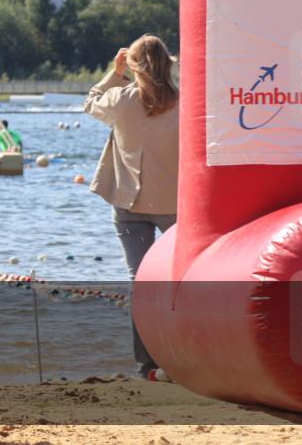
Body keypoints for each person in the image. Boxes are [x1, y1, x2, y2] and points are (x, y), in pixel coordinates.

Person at [84, 35, 178, 381]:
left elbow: (90, 102)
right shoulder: (184, 104)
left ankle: (147, 365)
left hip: (128, 204)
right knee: (180, 282)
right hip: (173, 205)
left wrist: (114, 72)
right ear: (168, 64)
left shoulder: (120, 99)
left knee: (140, 283)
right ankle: (184, 355)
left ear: (133, 66)